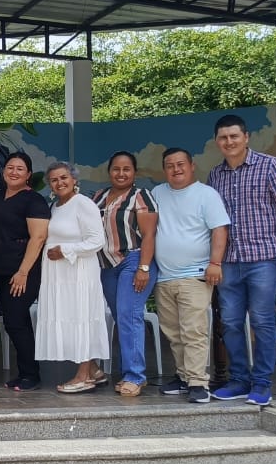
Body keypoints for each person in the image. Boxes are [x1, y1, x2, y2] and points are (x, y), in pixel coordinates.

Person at [207, 114, 276, 406]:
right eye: (223, 138)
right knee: (231, 322)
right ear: (217, 142)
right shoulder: (215, 175)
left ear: (246, 137)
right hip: (229, 261)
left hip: (263, 258)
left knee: (262, 321)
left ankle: (262, 383)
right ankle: (239, 380)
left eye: (234, 136)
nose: (229, 142)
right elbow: (213, 221)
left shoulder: (270, 165)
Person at [154, 147, 231, 405]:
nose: (176, 169)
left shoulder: (206, 194)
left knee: (193, 331)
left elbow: (219, 229)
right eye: (170, 165)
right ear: (164, 169)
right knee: (173, 332)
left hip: (195, 275)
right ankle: (183, 377)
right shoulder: (157, 193)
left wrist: (215, 263)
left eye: (180, 164)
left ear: (191, 166)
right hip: (164, 277)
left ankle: (198, 383)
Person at [37, 161, 109, 394]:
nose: (60, 183)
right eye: (54, 180)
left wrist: (66, 251)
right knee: (68, 319)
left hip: (79, 273)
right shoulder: (55, 207)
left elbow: (97, 241)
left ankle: (83, 376)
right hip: (59, 276)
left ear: (74, 179)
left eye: (64, 178)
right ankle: (95, 371)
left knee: (81, 319)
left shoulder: (83, 204)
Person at [92, 151, 159, 397]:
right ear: (109, 171)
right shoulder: (99, 196)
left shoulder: (141, 196)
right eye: (116, 169)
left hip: (134, 259)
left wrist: (144, 267)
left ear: (134, 172)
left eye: (126, 169)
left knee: (129, 315)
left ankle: (135, 375)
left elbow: (149, 235)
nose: (121, 173)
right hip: (107, 265)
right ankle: (128, 372)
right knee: (122, 318)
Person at [0, 152, 49, 391]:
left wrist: (23, 272)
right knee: (13, 322)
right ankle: (25, 372)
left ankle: (31, 375)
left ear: (28, 174)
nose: (14, 172)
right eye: (10, 167)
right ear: (3, 171)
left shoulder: (34, 200)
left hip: (22, 271)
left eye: (20, 168)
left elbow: (38, 238)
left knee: (16, 320)